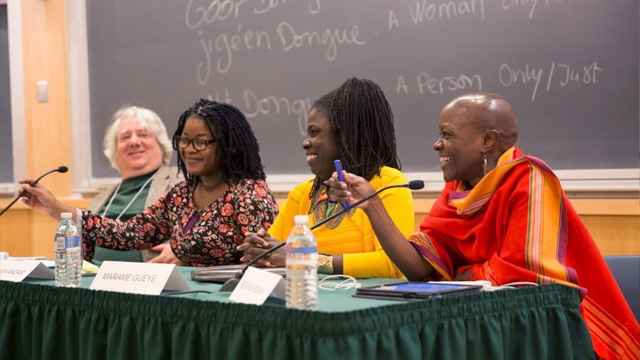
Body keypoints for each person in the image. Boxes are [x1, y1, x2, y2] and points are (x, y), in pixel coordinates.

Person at [327, 93, 639, 360]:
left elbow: (523, 277)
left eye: (447, 135)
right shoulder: (458, 189)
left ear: (487, 141)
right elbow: (420, 268)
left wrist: (462, 274)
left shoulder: (530, 180)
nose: (437, 145)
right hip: (485, 321)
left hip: (552, 332)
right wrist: (371, 204)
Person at [19, 99, 278, 267]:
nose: (189, 149)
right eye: (185, 140)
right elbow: (127, 234)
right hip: (180, 298)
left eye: (201, 142)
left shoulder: (249, 195)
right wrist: (54, 207)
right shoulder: (181, 195)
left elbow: (264, 260)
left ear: (228, 146)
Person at [239, 78, 414, 278]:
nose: (305, 143)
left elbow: (391, 265)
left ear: (345, 136)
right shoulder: (303, 194)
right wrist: (260, 251)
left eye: (314, 133)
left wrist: (304, 258)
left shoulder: (388, 183)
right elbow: (275, 252)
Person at [90, 105, 183, 264]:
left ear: (160, 145)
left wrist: (185, 250)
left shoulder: (181, 180)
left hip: (151, 280)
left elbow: (213, 226)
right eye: (125, 137)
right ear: (114, 150)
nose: (134, 141)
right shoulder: (102, 197)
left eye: (143, 135)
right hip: (93, 279)